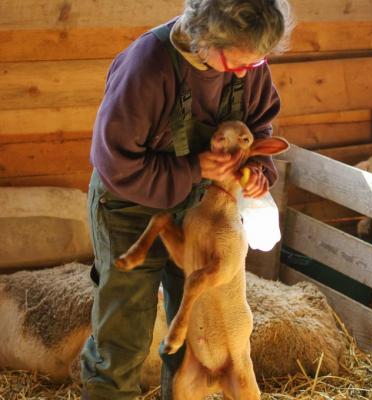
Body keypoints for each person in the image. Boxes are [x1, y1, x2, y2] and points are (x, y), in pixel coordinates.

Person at [80, 0, 293, 399]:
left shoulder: (249, 64)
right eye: (241, 62)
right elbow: (117, 164)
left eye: (258, 62)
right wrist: (194, 168)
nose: (250, 71)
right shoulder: (147, 66)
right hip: (130, 207)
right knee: (123, 338)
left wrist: (259, 172)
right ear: (205, 37)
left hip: (198, 210)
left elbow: (260, 123)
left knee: (193, 335)